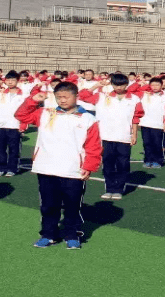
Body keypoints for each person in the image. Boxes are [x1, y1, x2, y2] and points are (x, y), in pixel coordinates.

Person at [14, 82, 102, 249]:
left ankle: (72, 234)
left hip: (73, 170)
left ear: (76, 97)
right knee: (48, 205)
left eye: (66, 97)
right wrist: (32, 100)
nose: (62, 100)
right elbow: (21, 116)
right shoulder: (46, 113)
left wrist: (89, 166)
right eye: (59, 97)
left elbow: (94, 146)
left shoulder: (88, 119)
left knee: (72, 205)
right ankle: (48, 234)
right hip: (46, 167)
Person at [79, 73, 144, 199]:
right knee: (108, 164)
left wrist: (134, 134)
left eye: (122, 85)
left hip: (124, 136)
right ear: (112, 84)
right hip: (105, 136)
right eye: (116, 85)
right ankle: (109, 188)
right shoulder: (102, 96)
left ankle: (119, 188)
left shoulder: (134, 99)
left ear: (127, 84)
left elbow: (136, 118)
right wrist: (96, 85)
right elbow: (82, 96)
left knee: (123, 164)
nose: (119, 88)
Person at [136, 77, 165, 168]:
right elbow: (131, 91)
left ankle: (158, 160)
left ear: (161, 85)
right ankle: (148, 160)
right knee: (147, 143)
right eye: (152, 85)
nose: (155, 87)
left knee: (157, 143)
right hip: (145, 123)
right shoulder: (144, 95)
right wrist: (142, 85)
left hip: (158, 124)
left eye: (157, 85)